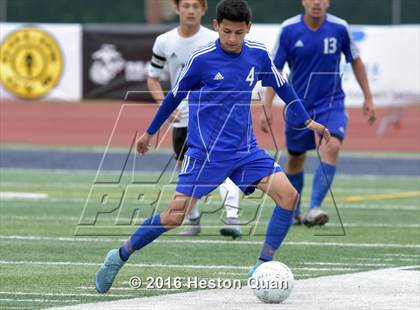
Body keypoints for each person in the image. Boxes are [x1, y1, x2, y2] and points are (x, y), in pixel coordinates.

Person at [95, 0, 330, 294]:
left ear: (248, 29)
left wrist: (307, 121)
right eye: (227, 31)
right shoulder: (201, 60)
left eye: (238, 33)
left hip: (246, 152)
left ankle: (261, 265)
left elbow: (283, 86)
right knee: (174, 217)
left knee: (288, 196)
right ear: (216, 26)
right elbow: (172, 97)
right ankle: (118, 256)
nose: (232, 39)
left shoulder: (257, 55)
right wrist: (150, 132)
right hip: (205, 155)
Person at [261, 0, 376, 227]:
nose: (316, 3)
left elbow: (356, 61)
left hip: (330, 103)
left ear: (328, 2)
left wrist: (368, 97)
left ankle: (314, 208)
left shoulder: (340, 28)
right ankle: (293, 209)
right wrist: (267, 104)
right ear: (303, 1)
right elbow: (276, 70)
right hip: (298, 105)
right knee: (295, 158)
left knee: (331, 146)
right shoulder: (289, 29)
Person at [148, 0, 242, 238]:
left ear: (203, 9)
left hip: (214, 118)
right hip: (181, 119)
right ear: (177, 8)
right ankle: (194, 220)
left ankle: (232, 218)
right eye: (186, 5)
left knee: (223, 166)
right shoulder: (164, 41)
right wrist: (164, 106)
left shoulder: (215, 40)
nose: (190, 10)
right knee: (185, 169)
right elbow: (153, 78)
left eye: (195, 6)